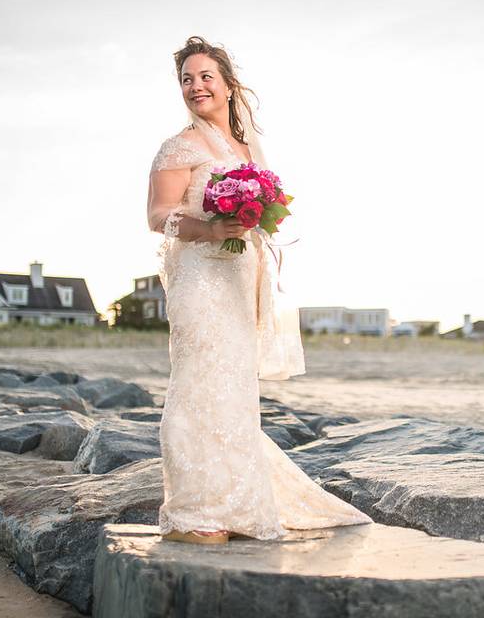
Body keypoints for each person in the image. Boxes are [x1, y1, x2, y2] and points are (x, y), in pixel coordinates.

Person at [146, 36, 374, 544]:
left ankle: (237, 507)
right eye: (187, 79)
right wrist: (207, 229)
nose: (195, 86)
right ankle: (194, 513)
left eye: (205, 76)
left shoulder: (247, 149)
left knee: (233, 390)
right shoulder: (179, 145)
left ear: (228, 85)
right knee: (197, 382)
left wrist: (253, 215)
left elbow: (265, 215)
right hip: (200, 277)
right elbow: (157, 215)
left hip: (239, 278)